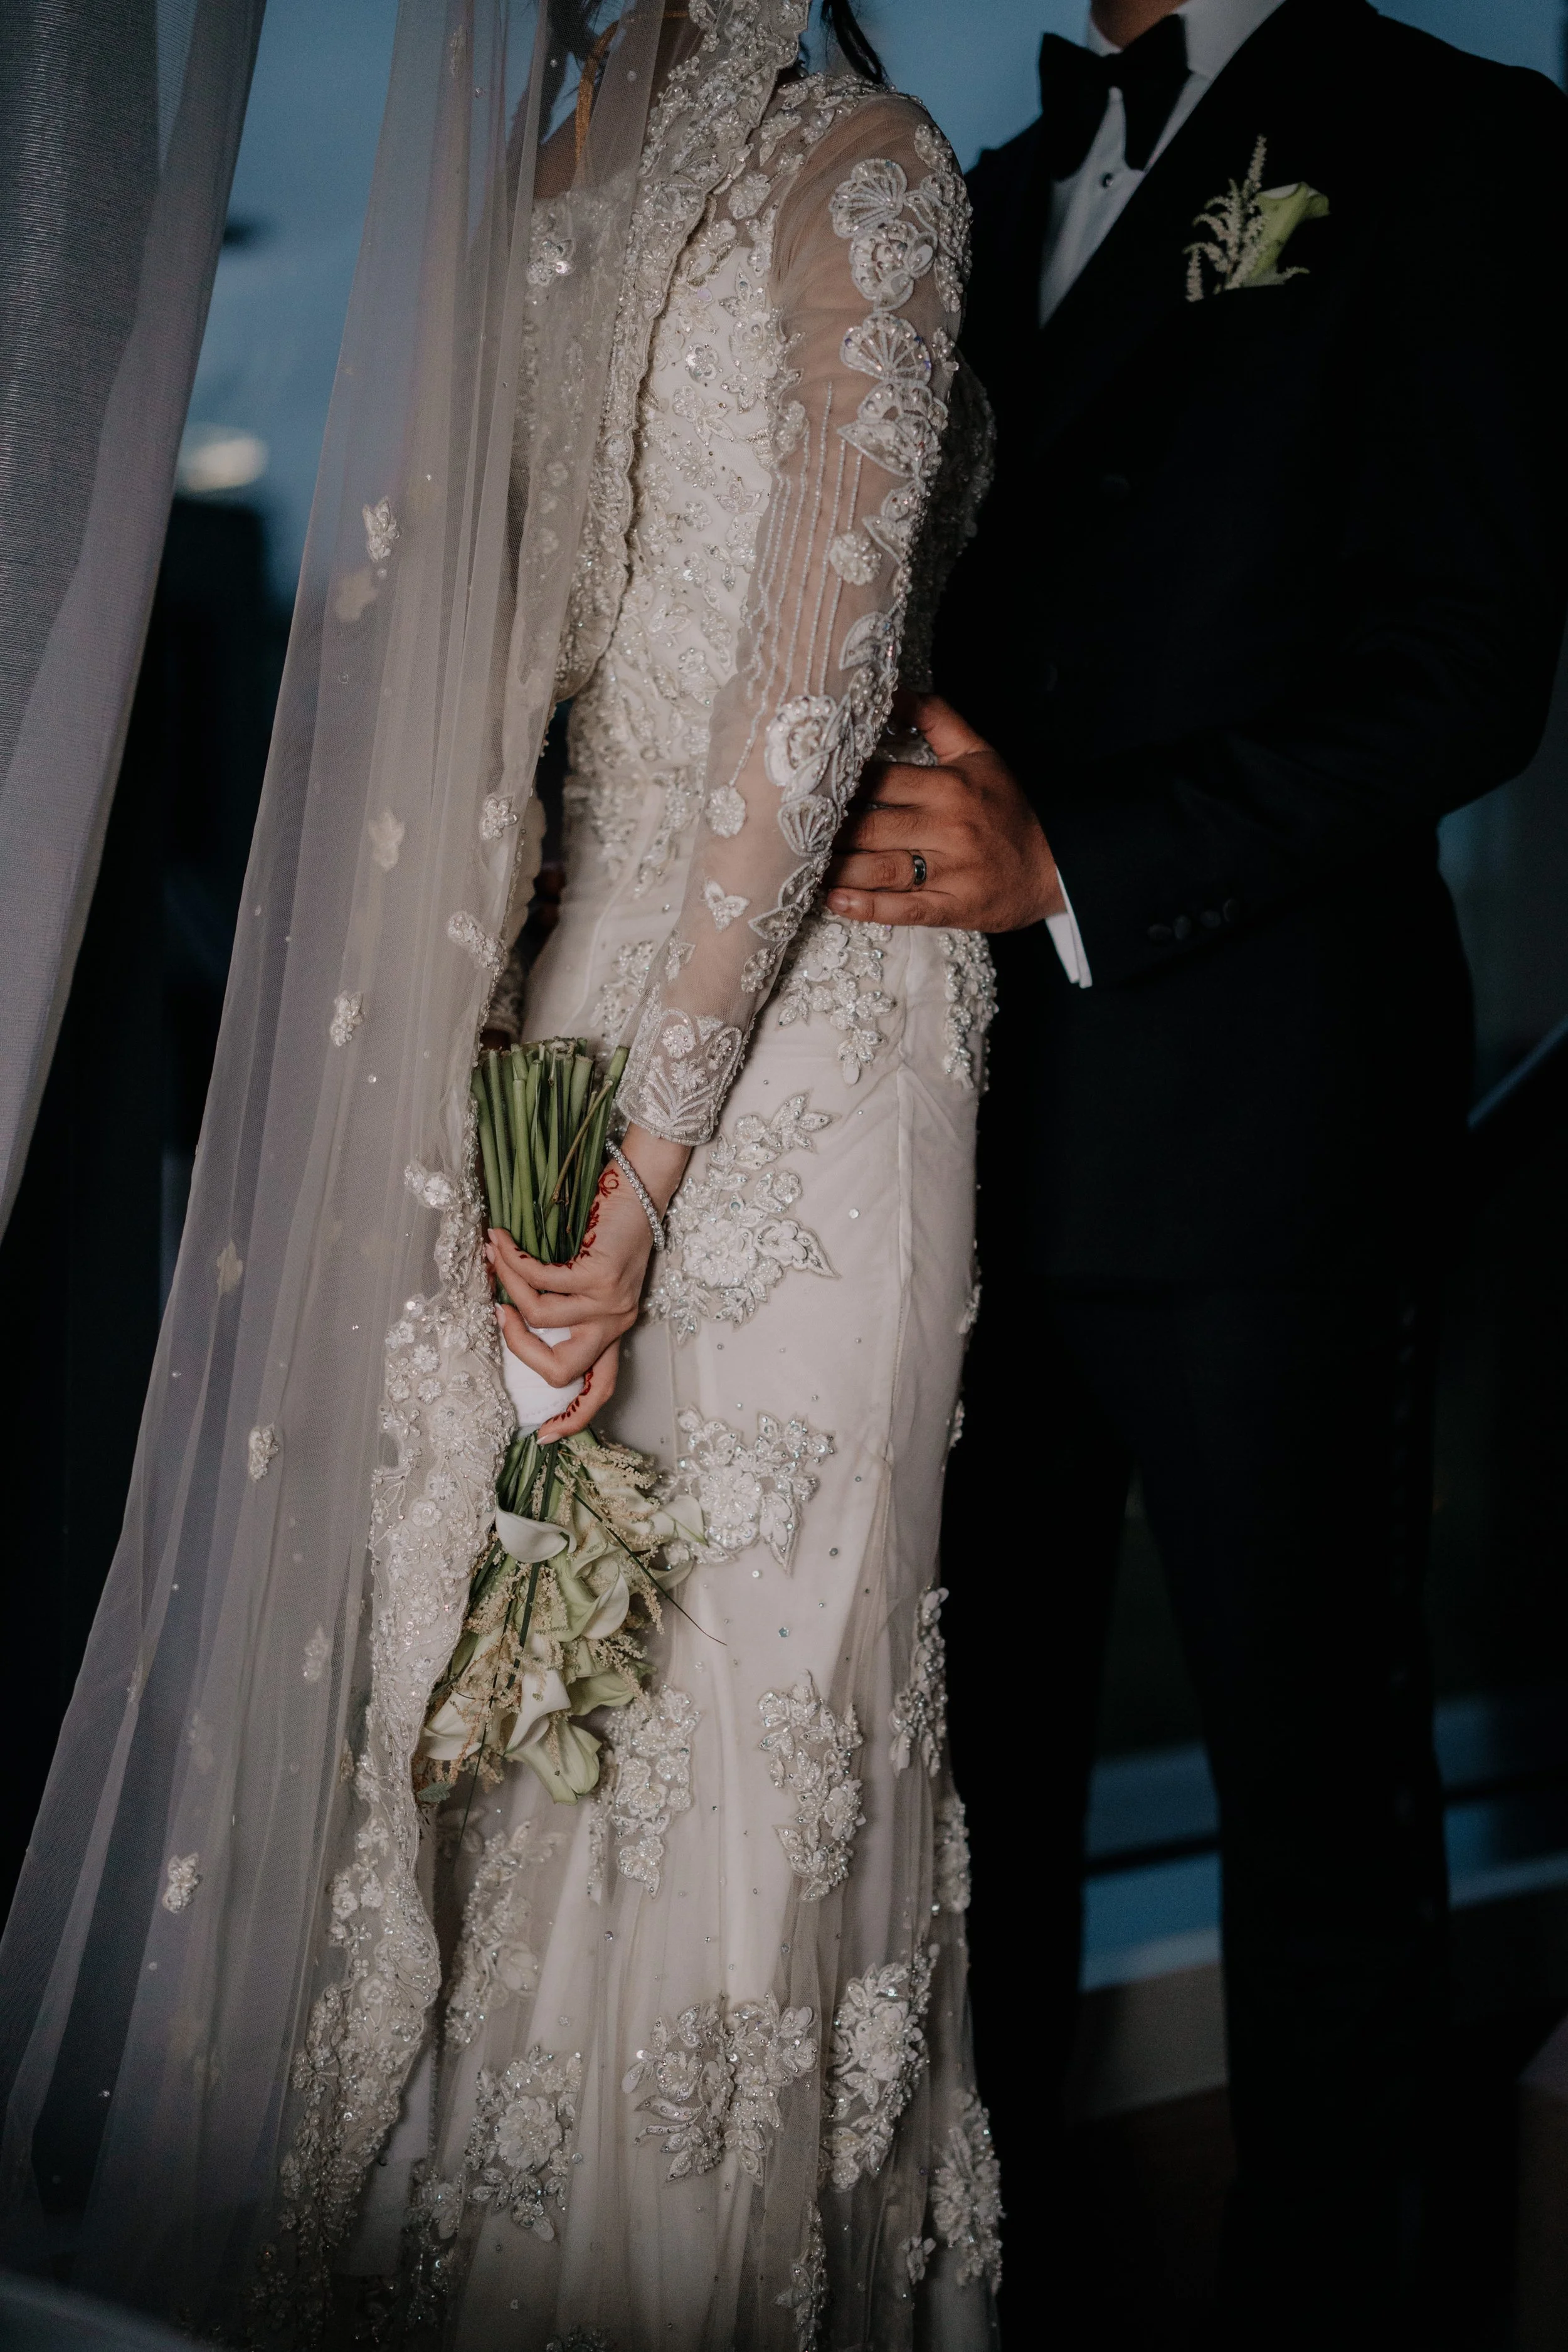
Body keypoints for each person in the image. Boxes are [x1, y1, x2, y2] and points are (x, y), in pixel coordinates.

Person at [0, 4, 1001, 2345]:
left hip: (619, 1048)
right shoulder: (856, 164)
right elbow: (796, 715)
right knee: (671, 1712)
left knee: (673, 1710)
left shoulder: (566, 174)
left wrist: (518, 1098)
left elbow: (655, 688)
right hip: (743, 1061)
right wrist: (628, 1172)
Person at [825, 0, 1568, 2338]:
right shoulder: (967, 190)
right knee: (979, 1814)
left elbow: (1468, 664)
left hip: (1262, 1130)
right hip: (950, 1149)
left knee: (1313, 1811)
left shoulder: (1454, 139)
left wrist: (1082, 853)